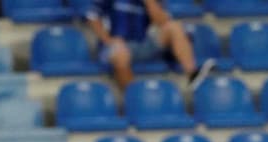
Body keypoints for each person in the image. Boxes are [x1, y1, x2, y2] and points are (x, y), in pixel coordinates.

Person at [82, 0, 213, 91]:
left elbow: (162, 21)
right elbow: (92, 17)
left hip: (141, 45)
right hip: (114, 46)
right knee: (120, 54)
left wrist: (149, 2)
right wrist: (109, 40)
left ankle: (192, 74)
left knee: (174, 27)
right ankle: (133, 98)